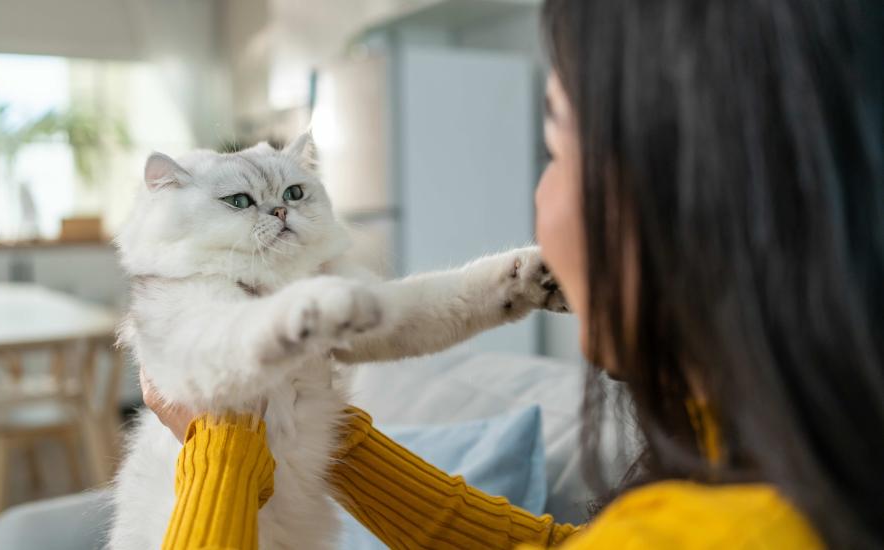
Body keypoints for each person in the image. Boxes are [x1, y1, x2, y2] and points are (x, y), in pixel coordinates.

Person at [140, 0, 884, 547]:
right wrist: (329, 433)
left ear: (690, 193)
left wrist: (227, 436)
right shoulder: (762, 456)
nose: (538, 194)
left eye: (552, 144)